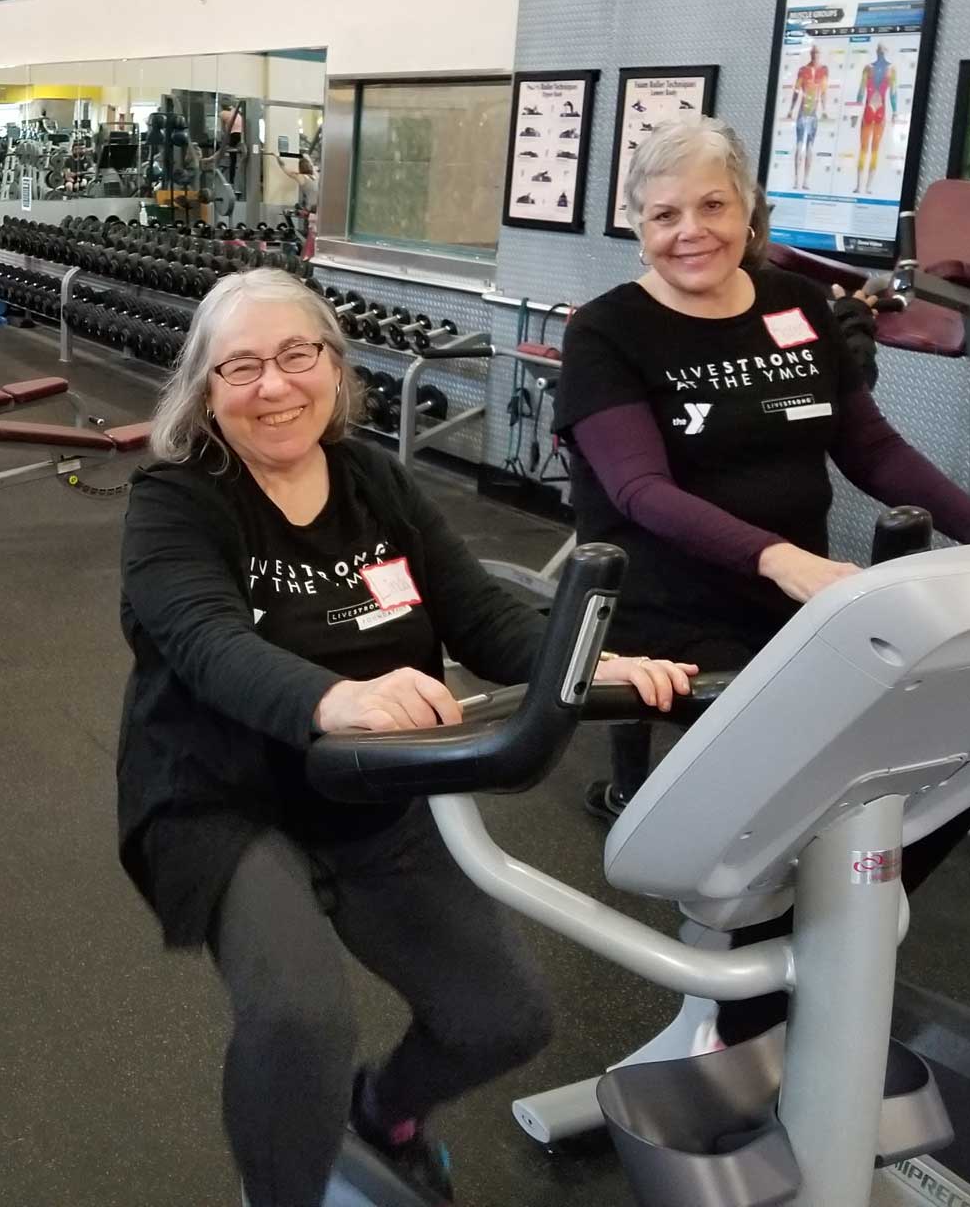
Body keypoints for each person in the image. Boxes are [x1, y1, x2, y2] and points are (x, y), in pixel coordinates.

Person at [117, 268, 695, 1207]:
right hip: (222, 797)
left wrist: (592, 665)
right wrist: (332, 700)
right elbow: (206, 644)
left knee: (502, 1017)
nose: (275, 386)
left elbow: (482, 619)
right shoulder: (177, 499)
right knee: (301, 1018)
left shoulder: (374, 480)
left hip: (370, 790)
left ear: (334, 369)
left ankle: (381, 1115)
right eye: (242, 367)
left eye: (297, 355)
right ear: (205, 390)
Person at [550, 115, 970, 1035]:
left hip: (801, 603)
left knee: (968, 737)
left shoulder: (792, 308)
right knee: (797, 772)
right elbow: (640, 490)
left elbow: (872, 449)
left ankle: (812, 931)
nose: (691, 231)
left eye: (713, 205)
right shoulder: (608, 332)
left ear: (749, 209)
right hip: (672, 607)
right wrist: (787, 560)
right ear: (636, 225)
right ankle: (753, 991)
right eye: (663, 214)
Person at [785, 43, 829, 189]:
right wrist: (791, 110)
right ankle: (797, 180)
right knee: (800, 145)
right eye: (814, 53)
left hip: (813, 113)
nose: (815, 56)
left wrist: (824, 109)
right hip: (803, 112)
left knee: (809, 146)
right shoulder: (803, 71)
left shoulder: (823, 71)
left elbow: (823, 92)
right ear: (811, 54)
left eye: (817, 54)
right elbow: (797, 91)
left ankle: (805, 180)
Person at [857, 41, 898, 192]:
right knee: (871, 149)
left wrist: (894, 112)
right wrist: (895, 112)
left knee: (867, 148)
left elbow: (861, 91)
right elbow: (893, 94)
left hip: (871, 110)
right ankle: (864, 186)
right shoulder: (890, 70)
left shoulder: (869, 68)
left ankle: (862, 186)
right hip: (879, 110)